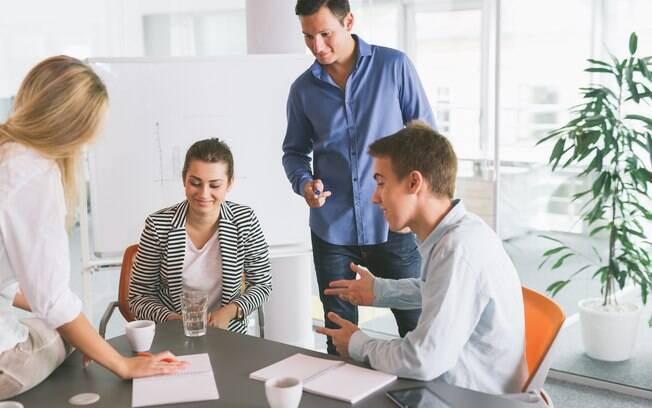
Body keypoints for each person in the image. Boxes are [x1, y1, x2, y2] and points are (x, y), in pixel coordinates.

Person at [0, 56, 187, 400]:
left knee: (63, 325)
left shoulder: (7, 152)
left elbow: (16, 286)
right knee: (62, 335)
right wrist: (121, 363)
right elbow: (54, 302)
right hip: (4, 363)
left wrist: (76, 326)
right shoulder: (34, 175)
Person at [317, 122, 528, 394]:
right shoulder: (461, 232)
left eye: (381, 183)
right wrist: (380, 290)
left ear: (414, 182)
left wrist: (359, 343)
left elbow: (423, 360)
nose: (374, 197)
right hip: (458, 385)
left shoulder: (457, 249)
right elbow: (437, 289)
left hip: (467, 397)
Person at [282, 0, 435, 354]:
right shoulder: (303, 90)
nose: (317, 46)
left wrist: (417, 209)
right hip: (332, 231)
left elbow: (427, 139)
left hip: (393, 227)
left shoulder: (393, 67)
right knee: (339, 338)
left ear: (348, 20)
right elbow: (293, 152)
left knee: (417, 331)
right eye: (308, 37)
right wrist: (305, 183)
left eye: (325, 33)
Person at [129, 138, 272, 333]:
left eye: (215, 185)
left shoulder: (244, 221)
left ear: (229, 183)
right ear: (184, 180)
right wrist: (173, 320)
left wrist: (229, 312)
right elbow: (139, 296)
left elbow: (262, 285)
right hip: (172, 334)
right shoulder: (158, 225)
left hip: (228, 333)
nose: (204, 194)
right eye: (195, 183)